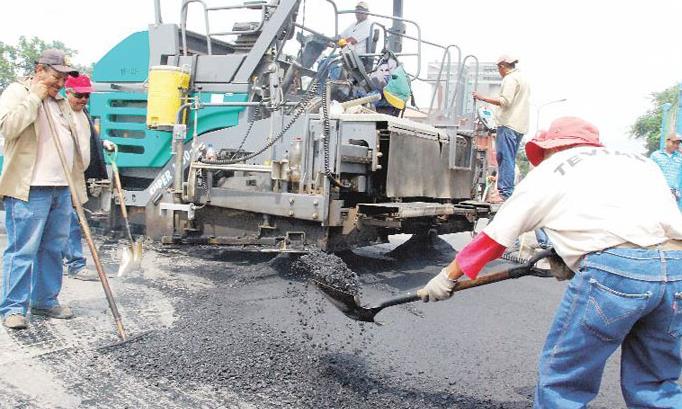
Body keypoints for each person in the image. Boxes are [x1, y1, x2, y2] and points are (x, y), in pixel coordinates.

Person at [420, 116, 682, 408]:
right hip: (676, 270)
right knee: (656, 382)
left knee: (564, 380)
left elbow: (494, 238)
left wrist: (447, 276)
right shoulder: (640, 162)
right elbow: (641, 226)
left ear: (554, 147)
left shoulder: (552, 169)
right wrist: (572, 256)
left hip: (615, 274)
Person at [0, 49, 87, 330]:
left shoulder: (60, 102)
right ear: (39, 70)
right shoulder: (18, 92)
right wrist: (35, 96)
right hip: (30, 188)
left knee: (53, 249)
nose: (61, 83)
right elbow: (9, 127)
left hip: (61, 188)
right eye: (56, 76)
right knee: (22, 250)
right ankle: (13, 308)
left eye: (64, 78)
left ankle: (45, 301)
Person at [62, 75, 115, 281]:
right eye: (79, 95)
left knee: (67, 221)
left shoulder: (83, 113)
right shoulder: (60, 113)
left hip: (76, 176)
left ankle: (67, 262)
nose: (83, 99)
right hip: (60, 177)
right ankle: (75, 264)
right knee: (71, 220)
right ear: (67, 92)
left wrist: (102, 143)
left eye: (87, 96)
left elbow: (88, 137)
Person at [473, 55, 530, 201]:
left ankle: (504, 193)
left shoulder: (510, 79)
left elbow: (505, 101)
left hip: (508, 124)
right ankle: (507, 192)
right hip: (519, 126)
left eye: (499, 68)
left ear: (502, 66)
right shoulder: (522, 78)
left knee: (504, 158)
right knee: (509, 158)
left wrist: (482, 98)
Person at [650, 131, 682, 203]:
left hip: (674, 194)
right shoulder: (655, 155)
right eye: (673, 143)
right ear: (667, 141)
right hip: (659, 191)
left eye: (678, 144)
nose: (675, 145)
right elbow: (650, 173)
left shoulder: (680, 157)